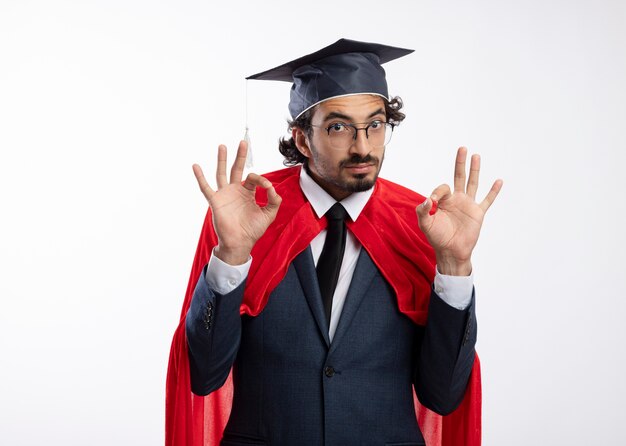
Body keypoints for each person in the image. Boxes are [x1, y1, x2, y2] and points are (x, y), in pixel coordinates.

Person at [166, 38, 502, 446]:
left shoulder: (423, 223)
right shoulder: (248, 214)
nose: (363, 147)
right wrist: (233, 256)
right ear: (302, 139)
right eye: (339, 127)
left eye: (375, 125)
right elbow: (203, 376)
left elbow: (444, 396)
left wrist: (454, 266)